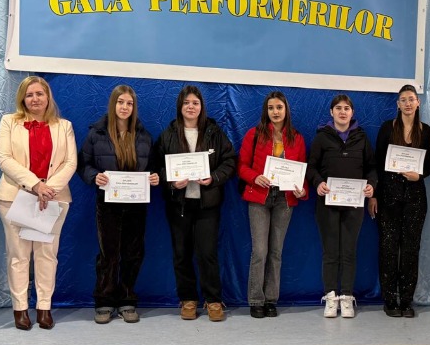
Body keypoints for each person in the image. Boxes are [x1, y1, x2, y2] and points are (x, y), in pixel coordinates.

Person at [0, 76, 77, 331]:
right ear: (22, 98)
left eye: (39, 94)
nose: (35, 99)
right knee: (18, 256)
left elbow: (70, 163)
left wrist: (48, 189)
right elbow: (4, 159)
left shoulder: (64, 126)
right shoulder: (9, 122)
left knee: (47, 255)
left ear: (48, 97)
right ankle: (20, 308)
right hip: (14, 197)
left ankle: (44, 307)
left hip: (53, 200)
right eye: (29, 94)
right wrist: (35, 185)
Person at [77, 85, 160, 324]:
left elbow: (154, 168)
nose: (125, 107)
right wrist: (94, 176)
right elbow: (83, 165)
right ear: (113, 104)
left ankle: (126, 299)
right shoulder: (96, 134)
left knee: (133, 253)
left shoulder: (144, 136)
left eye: (129, 103)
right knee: (108, 254)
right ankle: (104, 301)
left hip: (136, 204)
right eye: (120, 102)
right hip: (108, 204)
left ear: (134, 107)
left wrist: (156, 177)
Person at [154, 85, 236, 322]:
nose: (191, 107)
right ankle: (188, 299)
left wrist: (214, 178)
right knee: (181, 253)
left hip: (207, 204)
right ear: (180, 106)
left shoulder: (214, 132)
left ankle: (213, 299)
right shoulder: (168, 134)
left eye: (195, 103)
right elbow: (157, 167)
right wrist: (171, 182)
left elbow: (230, 161)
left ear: (201, 107)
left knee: (207, 253)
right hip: (178, 204)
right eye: (187, 102)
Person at [237, 91, 308, 318]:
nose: (275, 112)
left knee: (276, 252)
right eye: (271, 108)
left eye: (279, 107)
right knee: (260, 251)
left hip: (284, 200)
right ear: (265, 111)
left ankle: (270, 300)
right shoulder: (254, 134)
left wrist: (302, 190)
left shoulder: (297, 138)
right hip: (259, 198)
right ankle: (256, 300)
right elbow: (241, 166)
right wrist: (254, 177)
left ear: (286, 110)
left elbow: (302, 172)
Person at [307, 94, 377, 318]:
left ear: (352, 112)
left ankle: (346, 296)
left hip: (354, 205)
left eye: (347, 108)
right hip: (327, 204)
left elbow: (371, 168)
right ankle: (330, 296)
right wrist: (318, 183)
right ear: (331, 112)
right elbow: (311, 167)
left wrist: (371, 186)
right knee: (330, 252)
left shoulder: (362, 138)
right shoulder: (321, 138)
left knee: (348, 251)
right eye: (338, 108)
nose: (343, 112)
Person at [368, 85, 430, 318]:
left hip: (415, 197)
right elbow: (377, 163)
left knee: (410, 249)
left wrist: (420, 175)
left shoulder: (425, 131)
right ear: (398, 104)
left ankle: (406, 300)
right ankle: (390, 300)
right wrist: (374, 195)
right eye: (403, 100)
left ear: (418, 103)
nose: (407, 103)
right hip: (388, 196)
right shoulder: (388, 128)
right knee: (388, 248)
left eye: (411, 99)